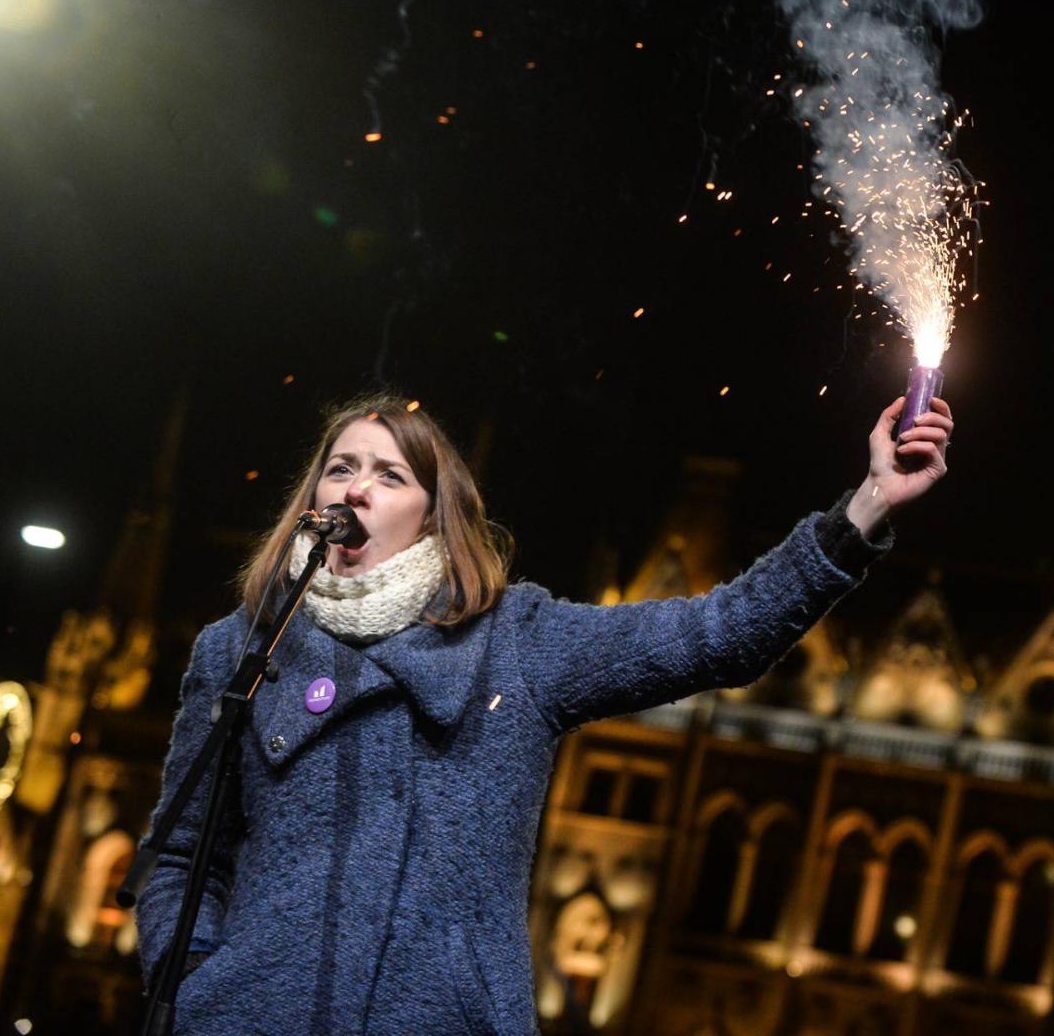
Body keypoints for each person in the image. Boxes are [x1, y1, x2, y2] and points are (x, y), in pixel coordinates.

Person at [135, 390, 954, 1034]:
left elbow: (721, 634)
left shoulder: (517, 640)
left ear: (433, 512)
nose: (357, 486)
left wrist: (867, 507)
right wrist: (204, 980)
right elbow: (180, 855)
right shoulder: (241, 650)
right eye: (341, 466)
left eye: (391, 475)